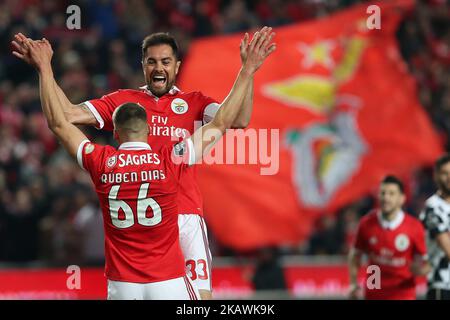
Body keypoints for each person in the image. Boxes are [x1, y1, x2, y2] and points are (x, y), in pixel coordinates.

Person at [12, 27, 275, 299]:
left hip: (185, 214)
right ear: (142, 66)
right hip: (145, 223)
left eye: (165, 61)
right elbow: (67, 114)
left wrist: (250, 71)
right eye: (151, 61)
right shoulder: (123, 102)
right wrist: (248, 69)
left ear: (176, 66)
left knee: (200, 296)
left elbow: (239, 119)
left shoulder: (194, 102)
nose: (158, 67)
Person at [348, 175, 430, 300]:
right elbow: (355, 255)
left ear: (402, 199)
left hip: (403, 293)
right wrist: (353, 284)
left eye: (391, 194)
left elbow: (428, 262)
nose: (386, 198)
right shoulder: (366, 224)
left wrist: (421, 270)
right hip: (373, 291)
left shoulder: (414, 226)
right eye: (383, 193)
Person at [419, 154, 450, 300]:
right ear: (436, 176)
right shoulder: (433, 208)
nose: (449, 177)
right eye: (445, 173)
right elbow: (447, 248)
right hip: (442, 285)